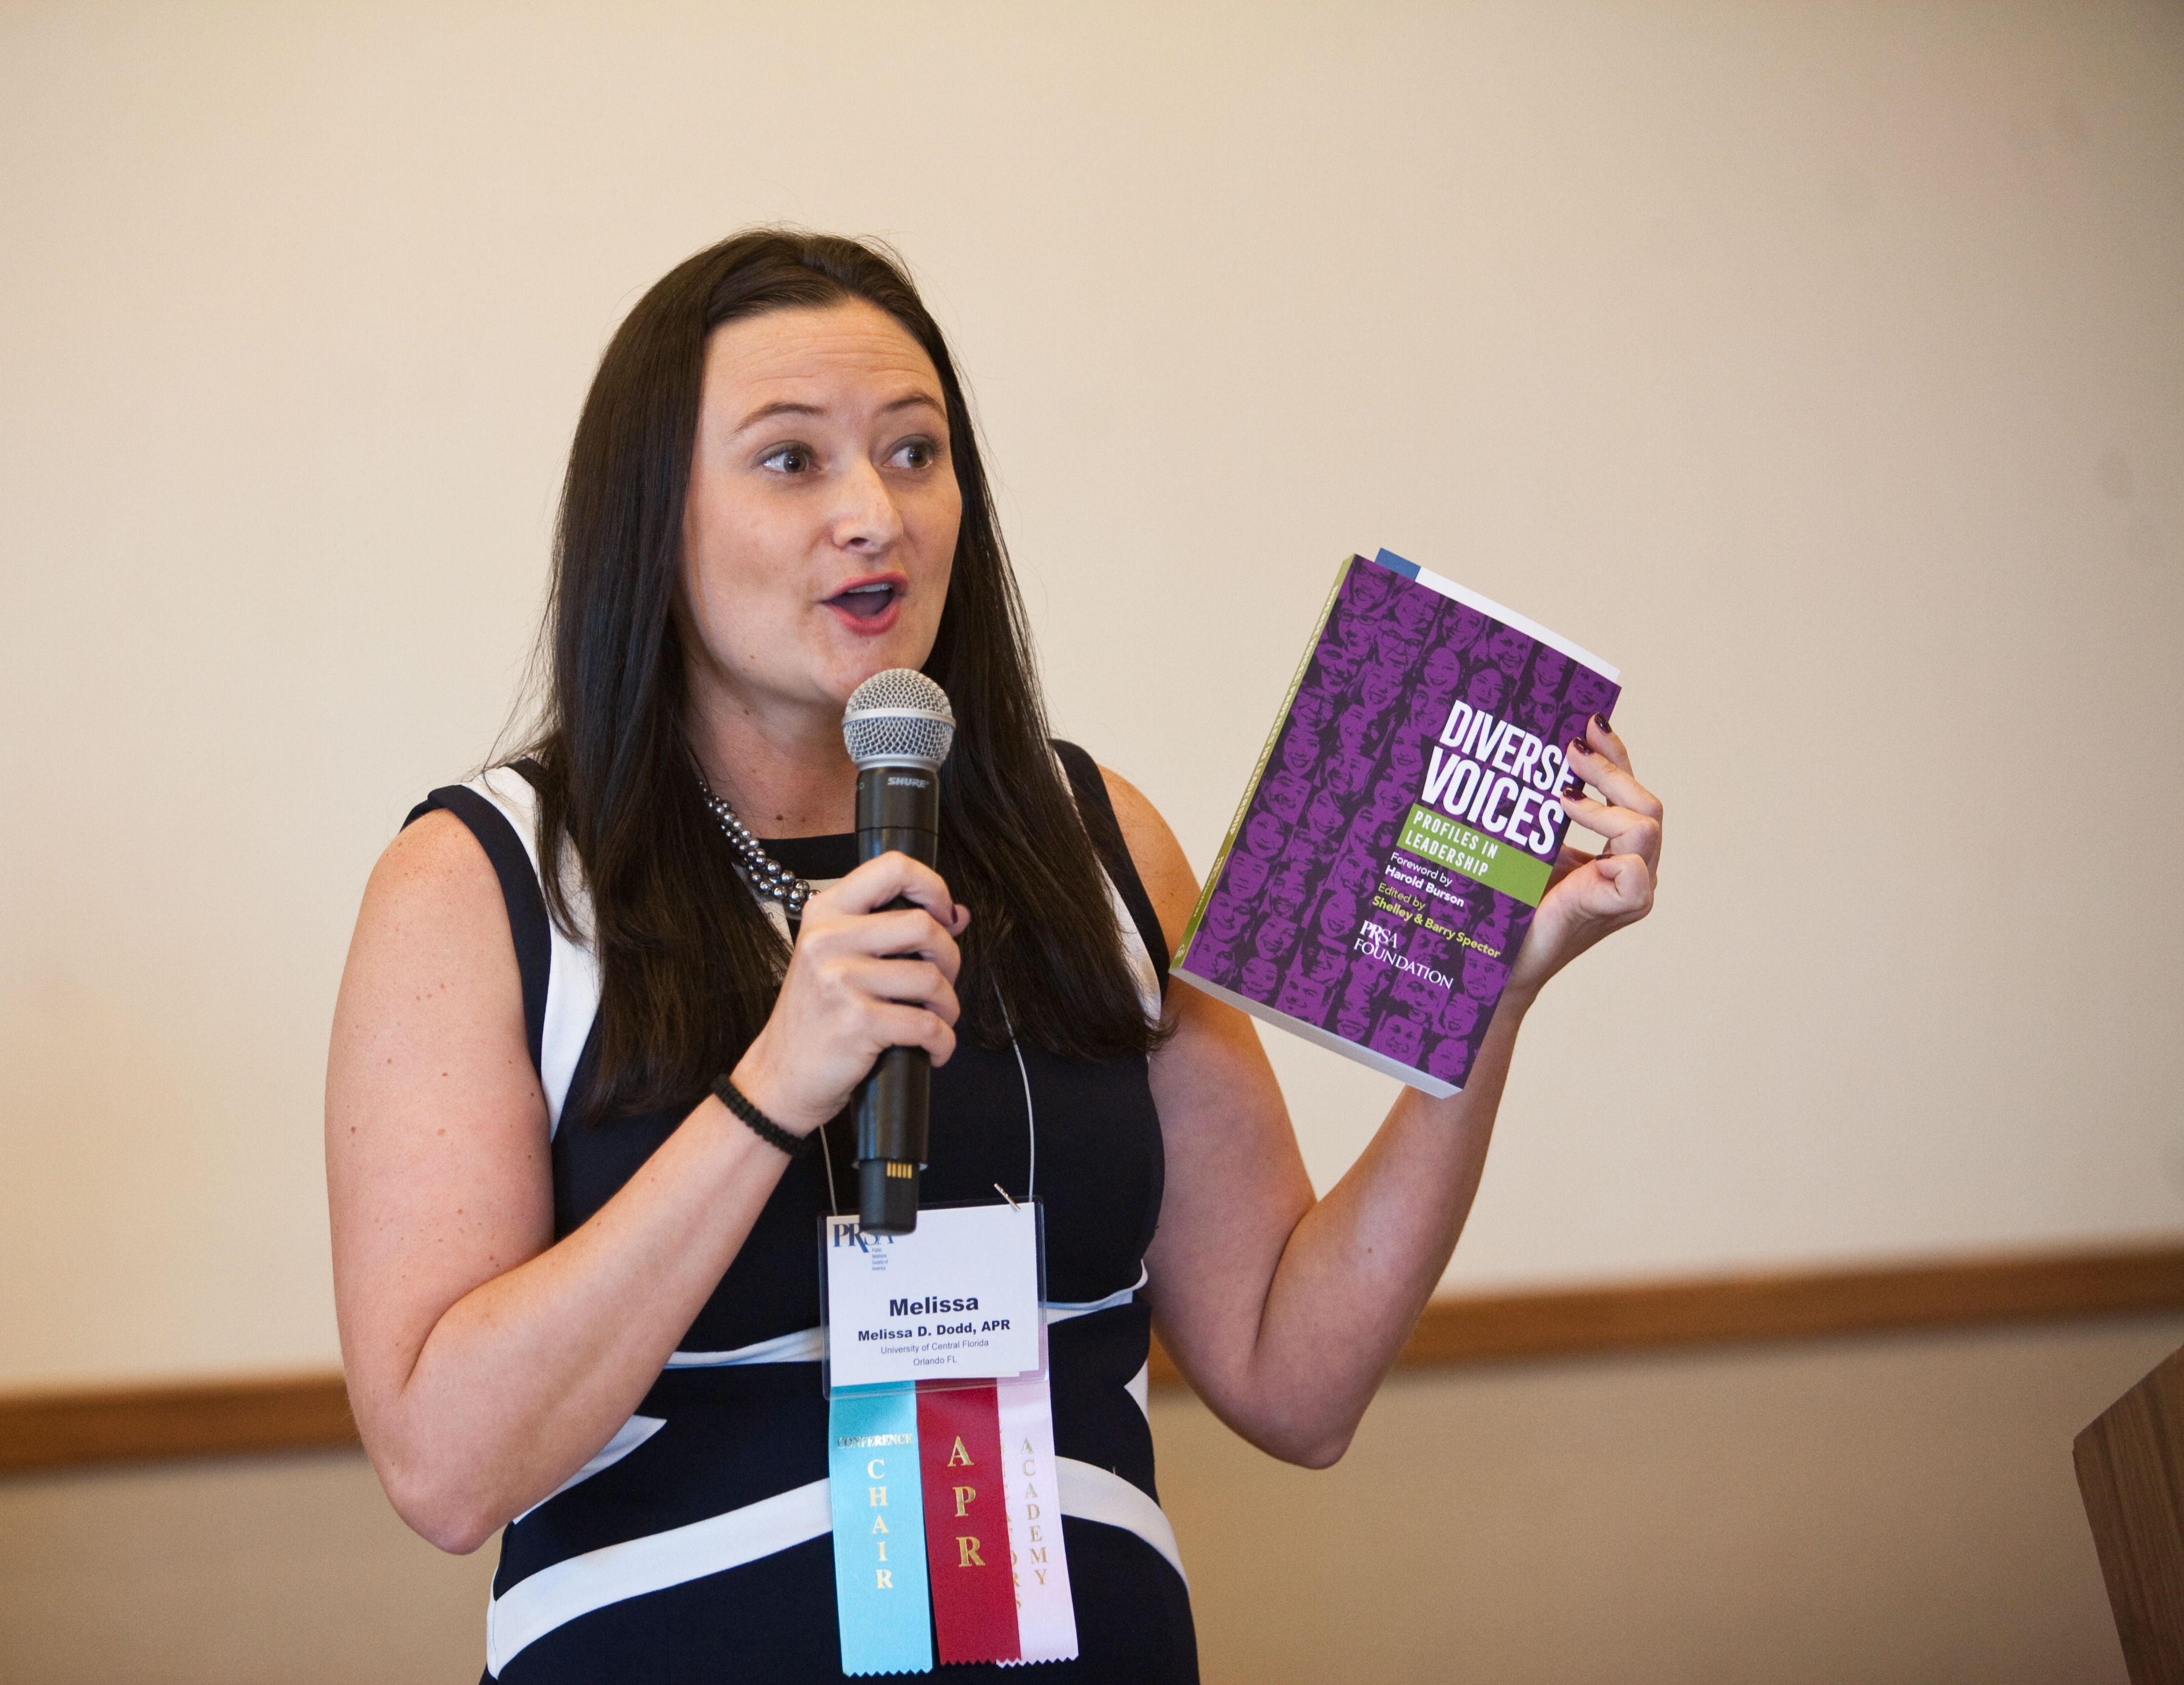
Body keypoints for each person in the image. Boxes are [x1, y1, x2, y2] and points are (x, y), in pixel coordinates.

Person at [324, 230, 1663, 1682]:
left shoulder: (1097, 841)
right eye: (791, 461)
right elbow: (446, 1471)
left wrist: (1492, 996)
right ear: (653, 521)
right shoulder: (487, 881)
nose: (874, 514)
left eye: (916, 453)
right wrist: (776, 1087)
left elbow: (1297, 1379)